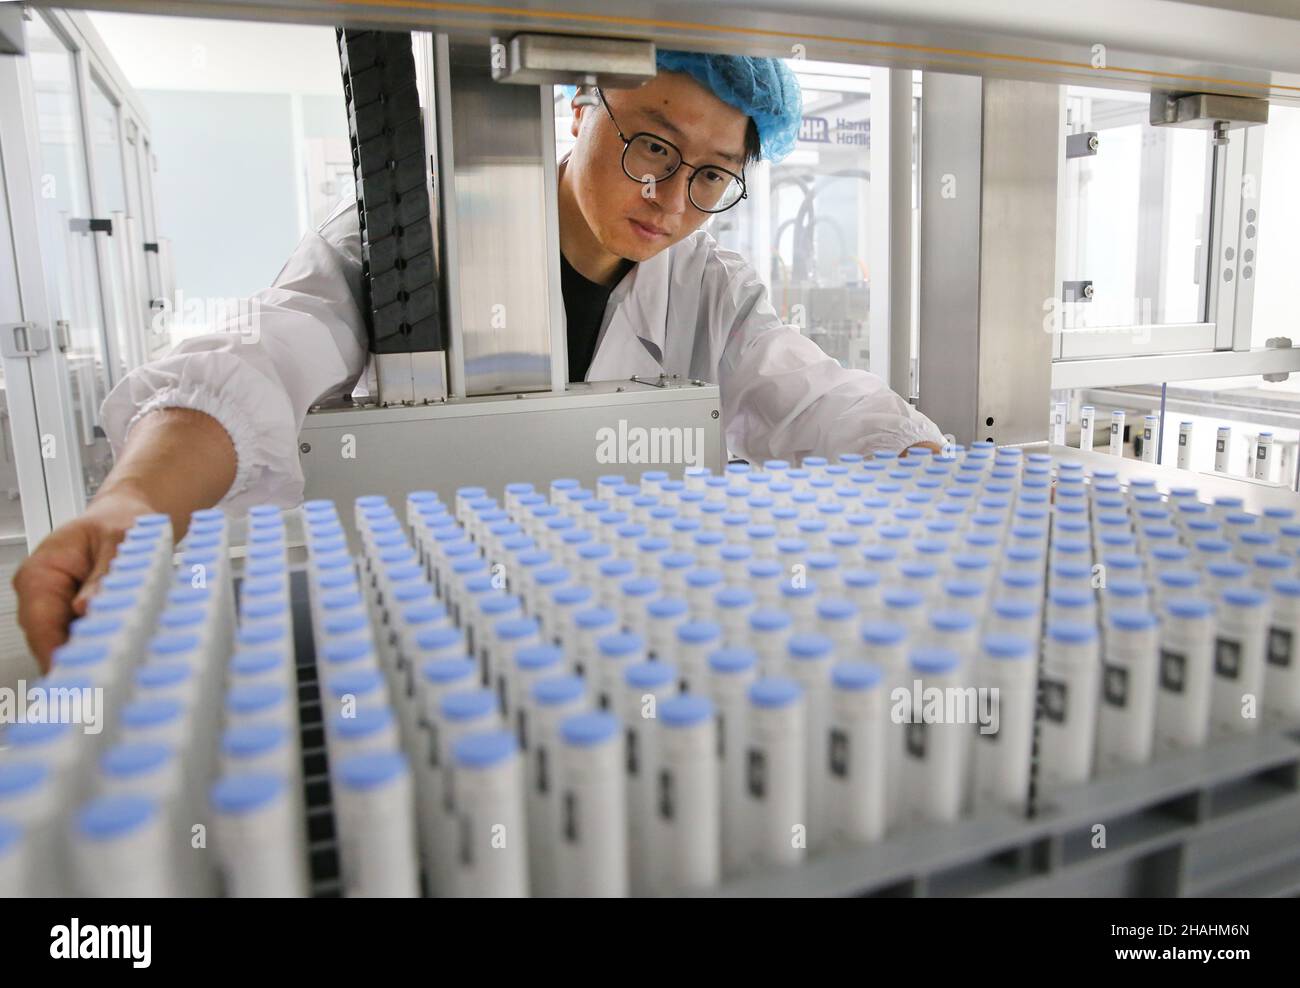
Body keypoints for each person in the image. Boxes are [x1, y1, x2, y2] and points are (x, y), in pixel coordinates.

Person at [15, 50, 943, 669]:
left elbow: (808, 395)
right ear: (584, 105)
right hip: (411, 635)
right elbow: (259, 359)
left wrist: (932, 474)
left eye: (711, 175)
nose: (671, 195)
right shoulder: (406, 242)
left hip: (621, 635)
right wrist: (137, 500)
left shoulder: (709, 285)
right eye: (653, 144)